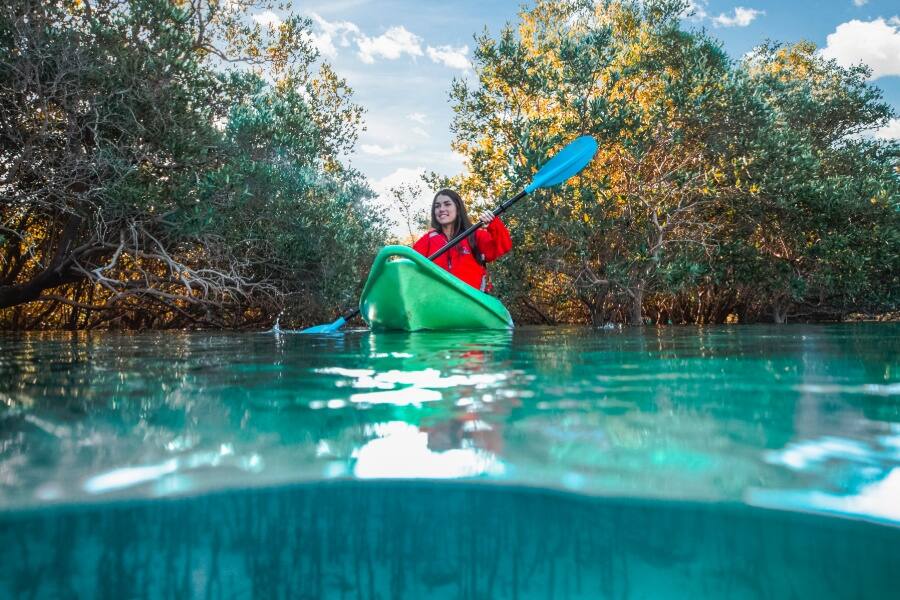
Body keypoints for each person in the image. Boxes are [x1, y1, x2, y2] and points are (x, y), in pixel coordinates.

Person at [412, 189, 512, 292]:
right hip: (438, 301)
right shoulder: (427, 240)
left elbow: (504, 246)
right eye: (437, 206)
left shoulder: (474, 235)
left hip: (470, 301)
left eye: (447, 204)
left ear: (458, 208)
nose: (441, 209)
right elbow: (409, 265)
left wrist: (493, 223)